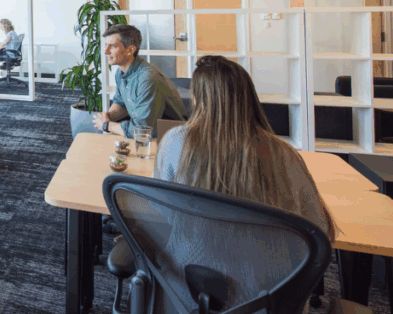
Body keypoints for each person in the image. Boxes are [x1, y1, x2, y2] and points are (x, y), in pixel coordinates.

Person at [155, 54, 335, 241]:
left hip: (191, 256)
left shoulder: (176, 141)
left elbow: (160, 209)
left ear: (198, 98)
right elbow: (321, 229)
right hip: (271, 259)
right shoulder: (283, 153)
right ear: (249, 96)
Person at [92, 24, 187, 137]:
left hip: (168, 138)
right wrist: (108, 116)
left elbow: (142, 130)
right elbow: (121, 103)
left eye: (112, 46)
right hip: (144, 135)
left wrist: (106, 125)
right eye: (106, 45)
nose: (105, 51)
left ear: (130, 50)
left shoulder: (147, 78)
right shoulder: (121, 72)